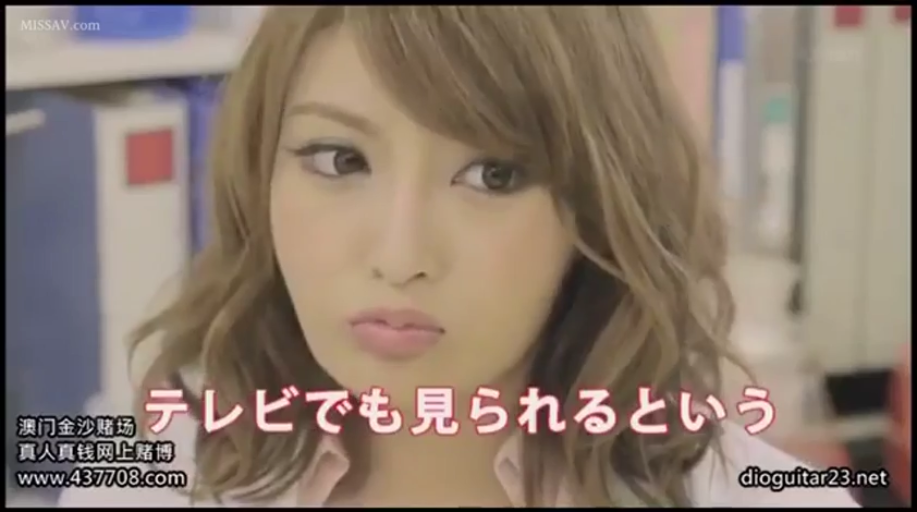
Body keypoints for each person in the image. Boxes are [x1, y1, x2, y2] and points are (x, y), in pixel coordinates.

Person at [60, 6, 859, 508]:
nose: (400, 256)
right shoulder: (141, 474)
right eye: (339, 160)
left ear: (595, 209)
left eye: (493, 176)